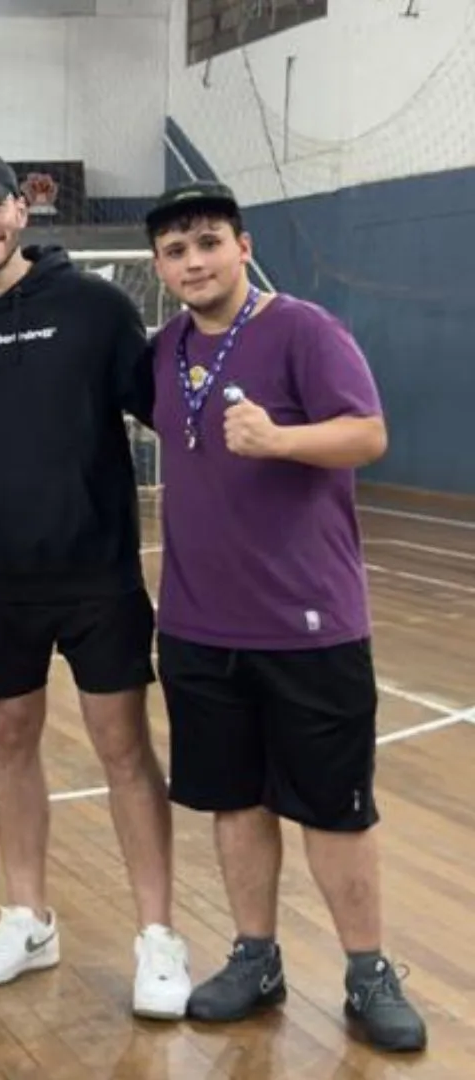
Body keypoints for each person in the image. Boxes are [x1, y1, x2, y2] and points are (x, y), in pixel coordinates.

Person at [0, 152, 191, 1018]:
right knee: (10, 742)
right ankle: (29, 917)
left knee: (123, 748)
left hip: (96, 573)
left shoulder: (96, 309)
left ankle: (158, 936)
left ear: (22, 214)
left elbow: (172, 417)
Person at [143, 181, 426, 1052]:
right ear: (160, 267)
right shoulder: (165, 350)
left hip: (311, 626)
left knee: (337, 809)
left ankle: (368, 969)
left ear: (243, 245)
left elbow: (369, 433)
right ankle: (256, 956)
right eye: (177, 251)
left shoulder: (303, 329)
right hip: (196, 624)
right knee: (233, 802)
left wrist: (283, 441)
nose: (194, 262)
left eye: (208, 244)